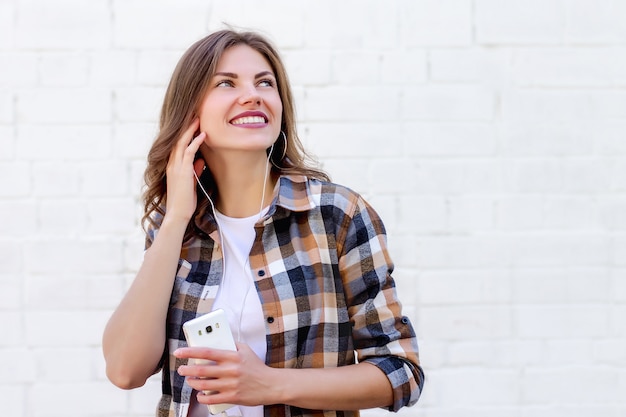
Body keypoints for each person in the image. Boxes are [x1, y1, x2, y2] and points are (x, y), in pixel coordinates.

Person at [102, 29, 424, 417]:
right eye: (226, 83)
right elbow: (125, 370)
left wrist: (269, 384)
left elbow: (400, 371)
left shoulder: (336, 214)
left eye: (265, 82)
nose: (252, 94)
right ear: (190, 113)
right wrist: (175, 220)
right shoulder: (175, 226)